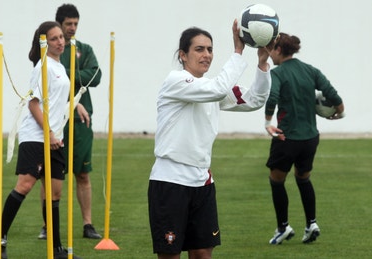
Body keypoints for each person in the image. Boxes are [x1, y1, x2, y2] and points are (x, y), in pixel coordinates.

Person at [148, 20, 271, 259]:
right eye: (199, 49)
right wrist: (237, 52)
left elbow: (254, 100)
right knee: (170, 255)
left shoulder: (212, 88)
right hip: (170, 181)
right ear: (183, 55)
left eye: (210, 49)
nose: (206, 55)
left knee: (203, 253)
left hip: (202, 182)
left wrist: (263, 63)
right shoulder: (176, 81)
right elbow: (217, 89)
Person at [0, 21, 81, 259]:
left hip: (55, 137)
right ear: (44, 42)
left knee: (55, 193)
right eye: (54, 38)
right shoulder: (43, 66)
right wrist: (49, 133)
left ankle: (57, 249)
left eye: (61, 37)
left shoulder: (60, 66)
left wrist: (76, 105)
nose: (60, 41)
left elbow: (57, 97)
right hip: (36, 137)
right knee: (25, 185)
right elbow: (33, 104)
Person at [264, 32, 345, 245]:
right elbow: (332, 94)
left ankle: (283, 227)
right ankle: (311, 224)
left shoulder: (278, 73)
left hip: (286, 138)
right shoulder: (311, 70)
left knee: (276, 180)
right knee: (303, 178)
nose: (269, 54)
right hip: (310, 138)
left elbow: (272, 97)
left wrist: (267, 122)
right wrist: (339, 112)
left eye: (271, 49)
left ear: (279, 50)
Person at [38, 3, 102, 240]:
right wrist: (73, 75)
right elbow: (47, 77)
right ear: (59, 25)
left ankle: (88, 224)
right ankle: (48, 226)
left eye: (76, 23)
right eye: (68, 24)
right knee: (51, 175)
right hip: (56, 120)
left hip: (81, 120)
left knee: (83, 174)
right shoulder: (50, 51)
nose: (73, 28)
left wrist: (66, 74)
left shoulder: (85, 49)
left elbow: (95, 75)